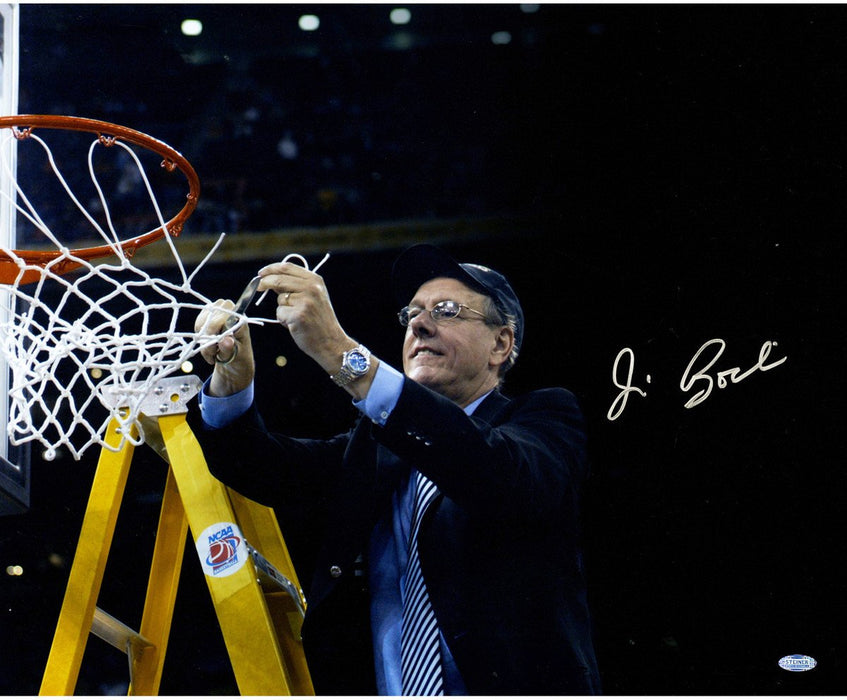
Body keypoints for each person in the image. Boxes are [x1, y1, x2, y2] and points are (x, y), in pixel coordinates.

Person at [192, 243, 601, 695]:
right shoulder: (378, 444)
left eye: (446, 311)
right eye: (412, 315)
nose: (420, 324)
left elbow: (495, 475)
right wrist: (233, 382)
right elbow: (267, 469)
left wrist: (338, 351)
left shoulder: (545, 418)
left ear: (500, 343)